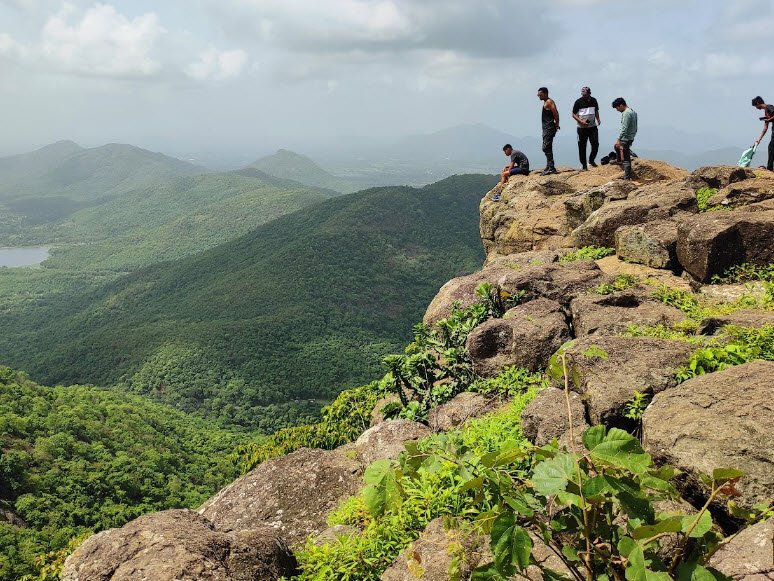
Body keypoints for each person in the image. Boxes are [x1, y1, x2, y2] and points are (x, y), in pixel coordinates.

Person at [572, 86, 600, 170]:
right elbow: (573, 114)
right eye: (582, 94)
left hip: (592, 126)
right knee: (582, 147)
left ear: (589, 93)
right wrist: (581, 121)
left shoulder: (594, 100)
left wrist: (598, 119)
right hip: (581, 128)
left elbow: (596, 111)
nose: (583, 96)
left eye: (585, 94)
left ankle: (591, 160)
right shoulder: (578, 102)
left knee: (595, 144)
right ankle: (584, 165)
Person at [612, 97, 637, 180]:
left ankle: (627, 178)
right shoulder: (633, 111)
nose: (617, 110)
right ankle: (619, 160)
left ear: (621, 105)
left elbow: (624, 128)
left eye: (617, 107)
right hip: (630, 136)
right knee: (616, 146)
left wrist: (619, 139)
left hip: (626, 138)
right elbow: (635, 126)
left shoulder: (626, 113)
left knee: (626, 159)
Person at [538, 87, 559, 175]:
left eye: (540, 94)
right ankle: (549, 166)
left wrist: (557, 124)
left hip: (549, 128)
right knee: (547, 147)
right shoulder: (546, 102)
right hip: (546, 128)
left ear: (545, 93)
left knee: (546, 147)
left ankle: (551, 167)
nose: (538, 95)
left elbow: (556, 113)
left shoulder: (549, 102)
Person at [752, 96, 774, 171]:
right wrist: (759, 139)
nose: (756, 108)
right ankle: (770, 168)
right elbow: (765, 128)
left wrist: (769, 119)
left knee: (771, 148)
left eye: (755, 106)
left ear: (758, 103)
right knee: (771, 148)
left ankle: (770, 169)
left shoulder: (769, 107)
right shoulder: (766, 111)